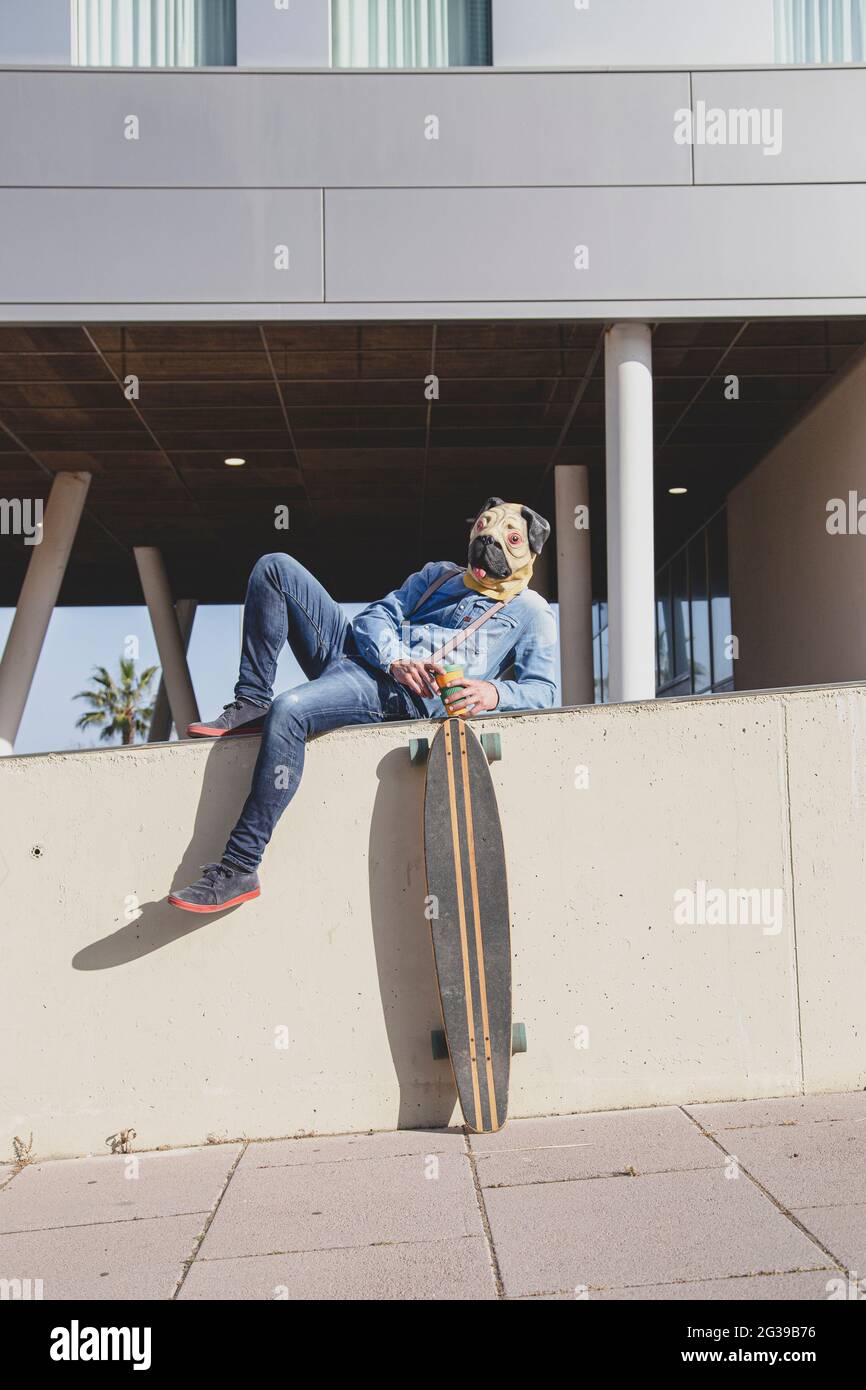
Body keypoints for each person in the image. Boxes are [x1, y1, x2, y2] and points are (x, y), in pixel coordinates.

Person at [168, 497, 557, 912]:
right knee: (275, 566)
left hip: (399, 696)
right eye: (484, 528)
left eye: (510, 539)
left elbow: (543, 689)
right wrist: (394, 658)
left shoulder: (530, 612)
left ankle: (239, 868)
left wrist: (493, 693)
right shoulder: (437, 575)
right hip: (361, 654)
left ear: (530, 549)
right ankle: (249, 701)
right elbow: (374, 618)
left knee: (290, 710)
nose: (488, 542)